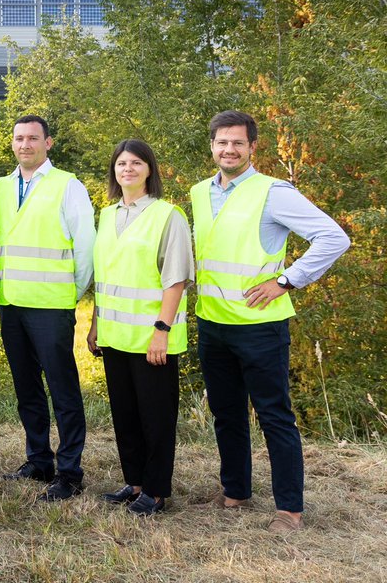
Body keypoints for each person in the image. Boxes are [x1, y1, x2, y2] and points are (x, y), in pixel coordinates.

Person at [192, 110, 350, 532]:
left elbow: (334, 237)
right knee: (226, 414)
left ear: (252, 147)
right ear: (212, 146)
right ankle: (236, 491)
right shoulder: (197, 192)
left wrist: (286, 280)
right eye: (222, 142)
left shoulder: (273, 192)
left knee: (274, 416)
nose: (229, 149)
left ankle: (289, 510)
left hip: (260, 327)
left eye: (238, 143)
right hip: (212, 323)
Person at [0, 114, 95, 502]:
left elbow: (85, 246)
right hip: (12, 303)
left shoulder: (68, 185)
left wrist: (73, 292)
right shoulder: (0, 186)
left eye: (33, 138)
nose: (25, 145)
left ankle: (69, 472)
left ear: (48, 143)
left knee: (63, 389)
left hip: (52, 305)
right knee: (27, 389)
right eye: (19, 138)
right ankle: (38, 460)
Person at [86, 139, 192, 516]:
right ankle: (134, 483)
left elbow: (175, 280)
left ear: (149, 169)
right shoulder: (107, 214)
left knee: (156, 418)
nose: (127, 169)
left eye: (135, 163)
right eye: (121, 163)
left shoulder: (168, 215)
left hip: (152, 338)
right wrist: (96, 324)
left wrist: (161, 330)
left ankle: (157, 490)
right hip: (114, 336)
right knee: (125, 415)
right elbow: (106, 277)